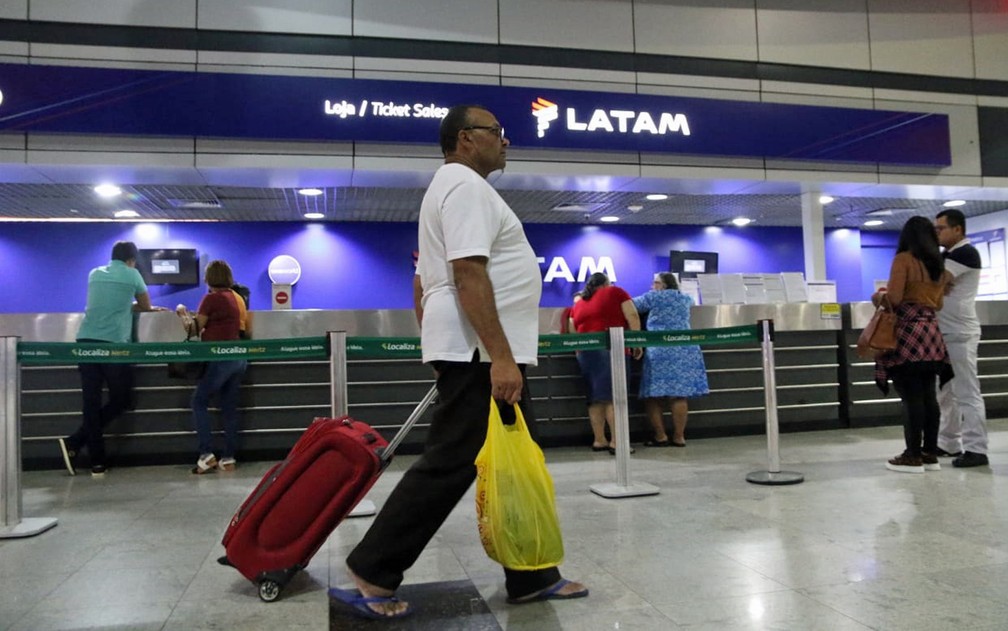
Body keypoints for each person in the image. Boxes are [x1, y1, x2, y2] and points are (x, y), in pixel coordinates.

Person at [341, 105, 587, 619]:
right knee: (450, 464)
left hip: (481, 352)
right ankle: (374, 565)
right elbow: (469, 275)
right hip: (484, 356)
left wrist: (441, 342)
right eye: (498, 133)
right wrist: (497, 357)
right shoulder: (465, 187)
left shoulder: (454, 188)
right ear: (466, 140)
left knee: (517, 463)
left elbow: (425, 282)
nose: (506, 142)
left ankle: (530, 574)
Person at [58, 240, 165, 477]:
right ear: (132, 260)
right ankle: (75, 442)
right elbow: (145, 306)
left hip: (85, 341)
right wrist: (140, 308)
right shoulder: (133, 274)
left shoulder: (94, 273)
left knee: (91, 402)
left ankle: (96, 461)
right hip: (114, 345)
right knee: (122, 399)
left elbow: (106, 303)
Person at [871, 216, 953, 474]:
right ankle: (930, 452)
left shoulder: (903, 260)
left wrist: (878, 297)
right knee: (929, 395)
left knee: (911, 396)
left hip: (908, 331)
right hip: (931, 332)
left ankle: (912, 455)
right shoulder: (938, 265)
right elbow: (938, 304)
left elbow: (894, 298)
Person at [181, 260, 247, 474]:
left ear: (208, 278)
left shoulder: (211, 299)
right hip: (238, 357)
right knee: (229, 407)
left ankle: (206, 454)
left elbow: (193, 329)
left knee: (199, 401)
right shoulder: (235, 298)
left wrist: (181, 311)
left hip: (219, 358)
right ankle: (228, 458)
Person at [934, 209, 988, 468]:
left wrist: (936, 284)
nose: (937, 233)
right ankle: (949, 442)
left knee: (967, 391)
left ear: (958, 229)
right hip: (945, 332)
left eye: (941, 228)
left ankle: (977, 448)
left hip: (960, 333)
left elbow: (936, 284)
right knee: (946, 391)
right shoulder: (948, 254)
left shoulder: (966, 253)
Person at [632, 272, 709, 447]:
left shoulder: (653, 297)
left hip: (660, 350)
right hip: (685, 349)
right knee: (679, 396)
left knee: (653, 396)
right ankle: (679, 436)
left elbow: (630, 306)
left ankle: (660, 436)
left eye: (656, 283)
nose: (653, 286)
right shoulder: (686, 298)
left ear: (664, 285)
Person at [569, 272, 642, 454]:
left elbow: (572, 328)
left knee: (595, 398)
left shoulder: (578, 304)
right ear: (606, 283)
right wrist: (637, 341)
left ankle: (599, 440)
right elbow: (632, 314)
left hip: (585, 353)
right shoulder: (615, 292)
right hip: (611, 350)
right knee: (614, 397)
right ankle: (617, 442)